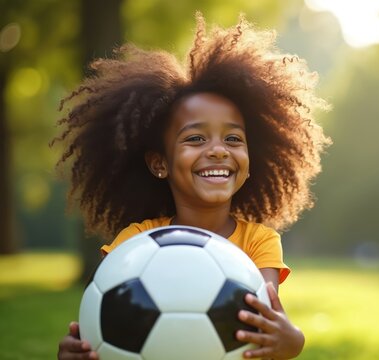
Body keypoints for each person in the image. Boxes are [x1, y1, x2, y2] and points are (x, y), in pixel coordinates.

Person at [54, 12, 330, 360]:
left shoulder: (259, 242)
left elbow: (265, 320)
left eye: (233, 138)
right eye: (196, 138)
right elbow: (106, 319)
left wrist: (293, 341)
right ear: (159, 163)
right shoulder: (135, 243)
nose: (217, 150)